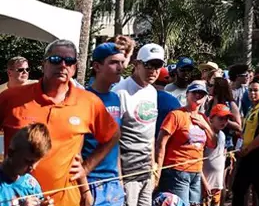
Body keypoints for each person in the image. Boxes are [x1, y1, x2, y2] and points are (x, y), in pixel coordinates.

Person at [0, 40, 119, 208]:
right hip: (13, 199)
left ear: (75, 68)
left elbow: (113, 135)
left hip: (65, 201)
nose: (63, 65)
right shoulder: (11, 97)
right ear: (44, 64)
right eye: (56, 59)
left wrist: (86, 168)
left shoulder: (88, 101)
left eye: (69, 61)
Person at [113, 42, 163, 208]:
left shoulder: (152, 92)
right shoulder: (120, 92)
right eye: (149, 65)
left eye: (158, 65)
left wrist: (154, 166)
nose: (153, 71)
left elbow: (151, 133)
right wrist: (119, 176)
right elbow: (113, 139)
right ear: (136, 64)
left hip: (146, 170)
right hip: (127, 173)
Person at [155, 80, 215, 206]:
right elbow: (161, 143)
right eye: (195, 92)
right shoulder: (176, 115)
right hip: (176, 170)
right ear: (187, 94)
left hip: (196, 171)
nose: (198, 96)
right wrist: (158, 171)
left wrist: (206, 126)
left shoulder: (203, 118)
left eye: (201, 94)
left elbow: (212, 144)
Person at [82, 43, 125, 208]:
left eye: (121, 62)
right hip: (91, 180)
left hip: (113, 181)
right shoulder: (84, 99)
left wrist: (119, 178)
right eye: (114, 62)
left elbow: (116, 141)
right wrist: (84, 188)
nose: (120, 67)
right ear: (97, 66)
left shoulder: (115, 98)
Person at [232, 76, 259, 209]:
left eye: (255, 90)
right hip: (249, 153)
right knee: (238, 187)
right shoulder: (252, 108)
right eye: (250, 90)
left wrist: (247, 149)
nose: (252, 93)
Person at [0, 124, 51, 207]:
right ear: (11, 152)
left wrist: (43, 206)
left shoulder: (31, 184)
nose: (33, 167)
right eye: (28, 161)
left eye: (36, 162)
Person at [202, 104, 232, 207]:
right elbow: (198, 161)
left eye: (227, 119)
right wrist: (204, 183)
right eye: (220, 118)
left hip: (217, 184)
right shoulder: (204, 135)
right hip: (206, 184)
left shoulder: (222, 135)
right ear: (211, 119)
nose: (224, 122)